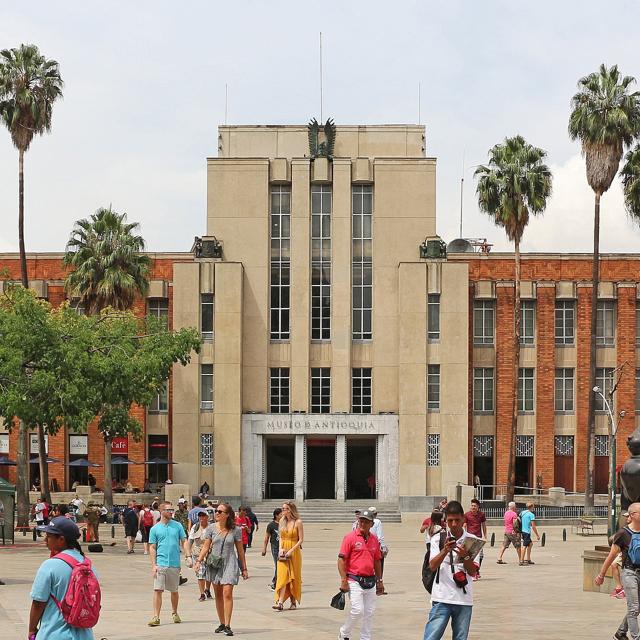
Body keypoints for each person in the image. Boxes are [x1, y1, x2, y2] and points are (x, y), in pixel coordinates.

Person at [29, 516, 98, 639]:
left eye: (49, 536)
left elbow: (38, 603)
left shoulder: (49, 565)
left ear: (61, 540)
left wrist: (31, 629)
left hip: (53, 634)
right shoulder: (88, 566)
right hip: (84, 635)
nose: (45, 540)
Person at [423, 500, 478, 640]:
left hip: (463, 599)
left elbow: (473, 572)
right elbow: (432, 566)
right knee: (431, 637)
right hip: (441, 597)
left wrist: (466, 557)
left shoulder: (473, 540)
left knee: (460, 637)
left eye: (457, 520)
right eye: (450, 520)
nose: (454, 524)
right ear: (445, 520)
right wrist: (445, 550)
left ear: (463, 519)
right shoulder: (437, 539)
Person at [195, 502, 248, 637]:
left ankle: (228, 625)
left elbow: (240, 551)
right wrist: (199, 561)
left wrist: (244, 568)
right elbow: (206, 547)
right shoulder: (211, 528)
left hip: (230, 562)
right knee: (218, 595)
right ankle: (222, 622)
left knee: (227, 593)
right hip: (215, 564)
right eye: (216, 511)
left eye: (220, 511)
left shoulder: (235, 530)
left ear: (227, 515)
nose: (217, 513)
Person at [337, 509, 384, 640]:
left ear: (372, 524)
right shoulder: (350, 537)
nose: (362, 524)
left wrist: (380, 580)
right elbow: (341, 560)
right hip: (354, 578)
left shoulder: (374, 539)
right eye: (361, 521)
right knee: (358, 610)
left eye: (366, 522)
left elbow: (377, 561)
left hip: (370, 580)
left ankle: (365, 637)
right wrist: (343, 580)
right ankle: (344, 632)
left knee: (369, 612)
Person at [596, 505, 640, 640]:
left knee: (637, 608)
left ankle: (620, 633)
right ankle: (636, 637)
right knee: (633, 608)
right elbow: (611, 556)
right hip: (629, 573)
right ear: (632, 515)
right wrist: (601, 575)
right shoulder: (623, 533)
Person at [148, 501, 187, 627]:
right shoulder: (155, 529)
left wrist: (188, 555)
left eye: (172, 510)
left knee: (174, 590)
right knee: (158, 590)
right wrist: (154, 565)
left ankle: (175, 612)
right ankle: (156, 616)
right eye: (169, 510)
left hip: (174, 563)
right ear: (162, 511)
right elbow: (152, 547)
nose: (171, 512)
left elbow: (184, 541)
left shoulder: (178, 526)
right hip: (161, 563)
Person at [273, 501, 303, 611]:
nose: (282, 511)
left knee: (293, 577)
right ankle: (280, 602)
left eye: (284, 509)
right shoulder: (282, 521)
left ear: (290, 510)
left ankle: (293, 601)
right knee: (282, 576)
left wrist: (291, 550)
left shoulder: (298, 522)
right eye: (282, 509)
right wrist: (281, 548)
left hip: (294, 551)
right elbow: (281, 537)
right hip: (283, 550)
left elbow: (301, 540)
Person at [187, 510, 213, 601]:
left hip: (210, 554)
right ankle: (202, 593)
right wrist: (188, 555)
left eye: (203, 516)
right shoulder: (195, 527)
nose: (201, 518)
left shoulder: (212, 527)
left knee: (209, 574)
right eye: (200, 516)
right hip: (197, 554)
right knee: (200, 574)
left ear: (207, 517)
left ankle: (207, 589)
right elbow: (190, 540)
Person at [463, 499, 487, 580]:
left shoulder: (481, 514)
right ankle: (473, 573)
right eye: (472, 505)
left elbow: (483, 525)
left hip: (478, 537)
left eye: (475, 506)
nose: (473, 507)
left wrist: (485, 536)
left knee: (480, 556)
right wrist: (464, 536)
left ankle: (477, 570)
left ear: (478, 507)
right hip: (470, 538)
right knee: (471, 556)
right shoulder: (466, 515)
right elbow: (464, 525)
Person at [368, 506, 388, 592]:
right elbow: (380, 536)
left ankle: (370, 586)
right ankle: (378, 585)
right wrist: (383, 548)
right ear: (375, 514)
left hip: (367, 547)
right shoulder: (377, 521)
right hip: (376, 546)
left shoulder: (362, 522)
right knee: (379, 566)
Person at [262, 508, 282, 590]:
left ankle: (276, 581)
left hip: (283, 547)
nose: (282, 515)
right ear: (276, 515)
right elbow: (266, 537)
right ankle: (275, 584)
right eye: (281, 514)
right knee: (278, 565)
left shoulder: (284, 524)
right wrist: (264, 549)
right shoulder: (271, 525)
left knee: (281, 566)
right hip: (275, 547)